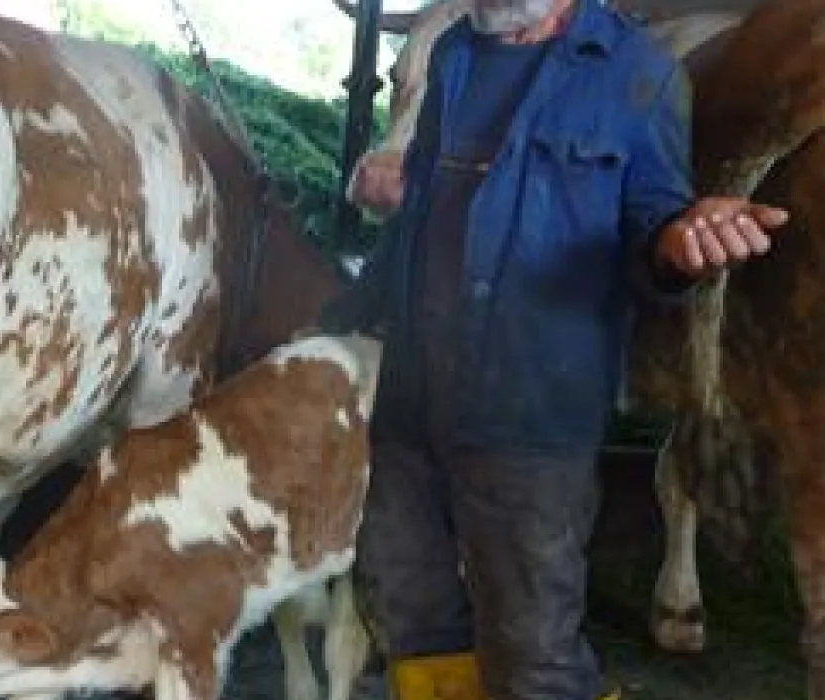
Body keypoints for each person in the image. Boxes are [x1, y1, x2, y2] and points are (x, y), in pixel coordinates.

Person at [320, 0, 790, 699]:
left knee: (531, 647)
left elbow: (651, 231)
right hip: (413, 409)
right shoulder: (451, 52)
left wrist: (682, 241)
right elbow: (432, 214)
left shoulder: (640, 74)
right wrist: (352, 283)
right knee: (410, 611)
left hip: (531, 418)